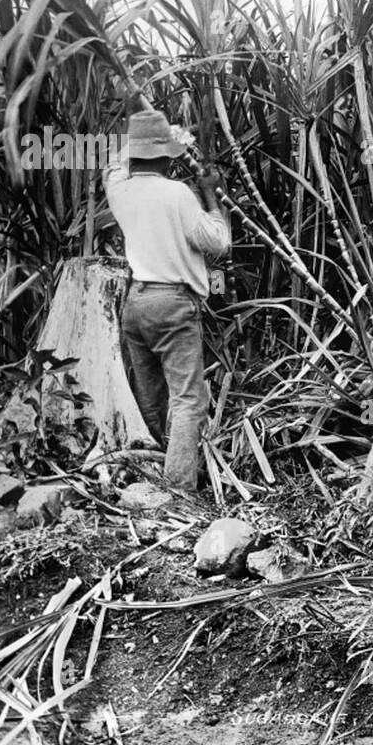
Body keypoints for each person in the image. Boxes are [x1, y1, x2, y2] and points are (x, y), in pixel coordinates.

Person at [102, 110, 229, 488]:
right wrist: (210, 193)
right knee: (189, 400)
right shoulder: (177, 194)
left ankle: (165, 466)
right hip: (173, 305)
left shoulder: (119, 189)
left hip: (136, 304)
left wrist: (141, 136)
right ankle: (178, 487)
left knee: (152, 397)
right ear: (164, 155)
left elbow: (112, 164)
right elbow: (218, 242)